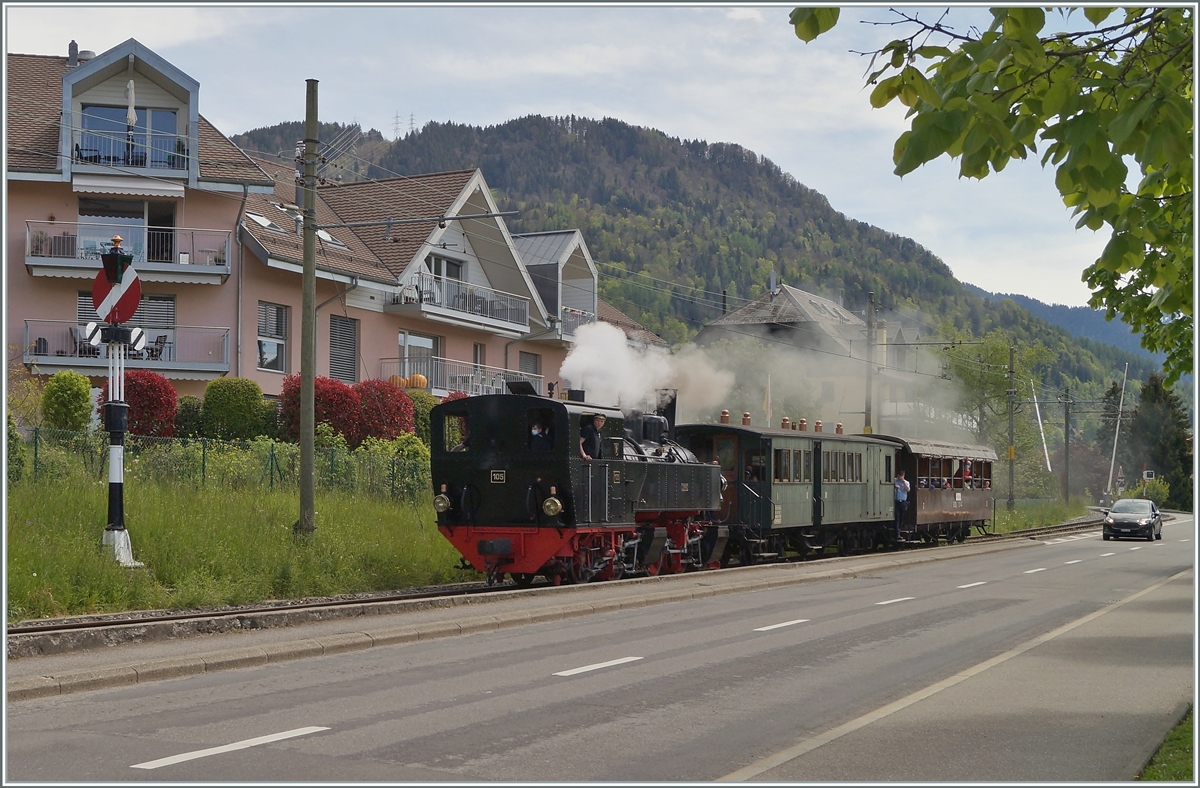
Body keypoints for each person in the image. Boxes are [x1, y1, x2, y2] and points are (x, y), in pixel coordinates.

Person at [893, 468, 910, 541]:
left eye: (902, 475)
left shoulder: (906, 482)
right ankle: (897, 533)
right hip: (895, 501)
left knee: (901, 517)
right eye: (899, 475)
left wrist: (903, 482)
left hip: (903, 501)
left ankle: (899, 531)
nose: (900, 476)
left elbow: (907, 490)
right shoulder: (894, 481)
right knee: (897, 517)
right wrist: (894, 486)